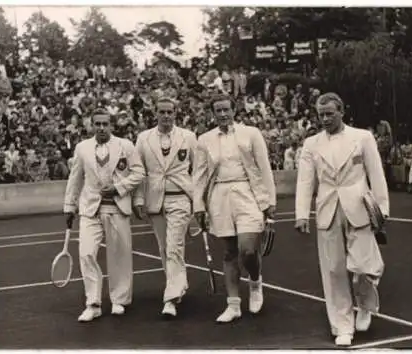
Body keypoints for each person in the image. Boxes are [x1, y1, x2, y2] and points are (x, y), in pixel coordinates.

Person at [294, 93, 389, 346]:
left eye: (329, 114)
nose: (324, 119)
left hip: (360, 207)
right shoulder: (311, 144)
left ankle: (365, 305)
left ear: (342, 112)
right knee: (334, 269)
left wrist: (382, 209)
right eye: (320, 114)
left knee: (363, 268)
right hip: (327, 208)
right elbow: (305, 181)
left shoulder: (363, 137)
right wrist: (302, 214)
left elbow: (376, 174)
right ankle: (342, 326)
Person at [193, 94, 276, 323]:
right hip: (219, 197)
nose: (222, 114)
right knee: (229, 252)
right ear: (213, 113)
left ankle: (256, 281)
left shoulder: (251, 133)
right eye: (218, 110)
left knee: (248, 249)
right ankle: (233, 304)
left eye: (226, 110)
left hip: (248, 194)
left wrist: (270, 201)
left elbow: (264, 168)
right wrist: (198, 205)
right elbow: (199, 176)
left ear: (234, 110)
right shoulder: (204, 140)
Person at [63, 108, 144, 322]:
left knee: (119, 255)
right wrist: (69, 206)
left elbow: (138, 173)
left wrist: (119, 187)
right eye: (97, 124)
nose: (101, 128)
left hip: (118, 208)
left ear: (111, 125)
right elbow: (75, 179)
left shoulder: (125, 145)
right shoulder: (82, 148)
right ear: (91, 125)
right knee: (86, 253)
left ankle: (119, 299)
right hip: (90, 209)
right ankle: (93, 303)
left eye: (105, 124)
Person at [133, 97, 197, 318]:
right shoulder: (143, 138)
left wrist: (198, 203)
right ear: (155, 113)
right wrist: (138, 200)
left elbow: (197, 172)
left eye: (170, 112)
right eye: (162, 112)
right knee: (163, 249)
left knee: (174, 247)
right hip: (155, 200)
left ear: (176, 113)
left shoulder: (188, 137)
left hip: (180, 198)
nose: (166, 116)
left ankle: (170, 299)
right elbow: (138, 172)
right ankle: (179, 285)